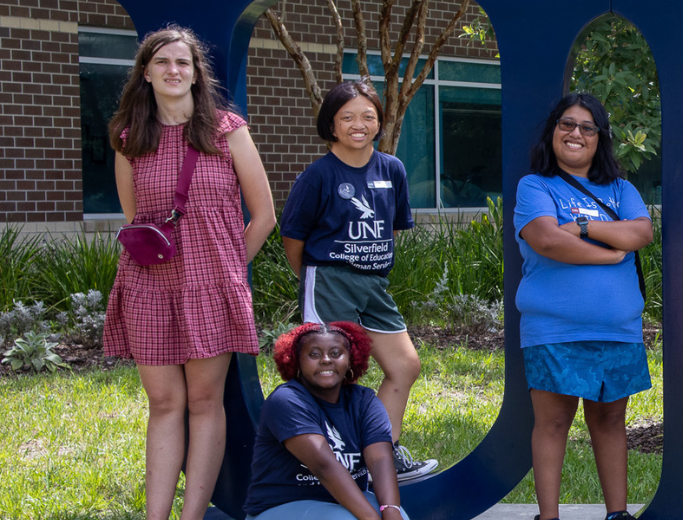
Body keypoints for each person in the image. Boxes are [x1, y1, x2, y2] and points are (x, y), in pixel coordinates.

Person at [102, 25, 275, 520]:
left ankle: (191, 516)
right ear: (146, 74)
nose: (174, 71)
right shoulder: (128, 139)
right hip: (149, 285)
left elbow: (263, 216)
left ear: (198, 74)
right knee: (163, 403)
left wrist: (226, 272)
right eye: (163, 63)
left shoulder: (227, 130)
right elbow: (135, 221)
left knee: (203, 402)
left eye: (184, 62)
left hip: (212, 285)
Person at [279, 80, 436, 481]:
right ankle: (320, 459)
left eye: (368, 116)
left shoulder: (392, 169)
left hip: (374, 285)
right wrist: (313, 279)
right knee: (330, 373)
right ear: (331, 125)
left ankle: (380, 453)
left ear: (380, 122)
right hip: (329, 280)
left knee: (404, 366)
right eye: (347, 117)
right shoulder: (317, 175)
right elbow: (292, 238)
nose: (358, 124)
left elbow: (393, 228)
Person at [514, 93, 654, 520]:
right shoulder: (535, 185)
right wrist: (608, 251)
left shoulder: (621, 188)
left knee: (611, 422)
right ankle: (549, 517)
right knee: (553, 423)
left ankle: (617, 514)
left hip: (618, 330)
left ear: (600, 138)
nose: (576, 133)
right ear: (553, 131)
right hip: (554, 331)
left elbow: (639, 234)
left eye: (587, 127)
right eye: (567, 124)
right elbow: (545, 240)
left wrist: (580, 225)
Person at [243, 322, 410, 520]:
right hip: (283, 505)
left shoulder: (364, 401)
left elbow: (380, 460)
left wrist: (391, 510)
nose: (325, 360)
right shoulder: (287, 401)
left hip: (346, 501)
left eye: (336, 353)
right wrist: (371, 519)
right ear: (296, 361)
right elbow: (324, 467)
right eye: (314, 354)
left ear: (350, 360)